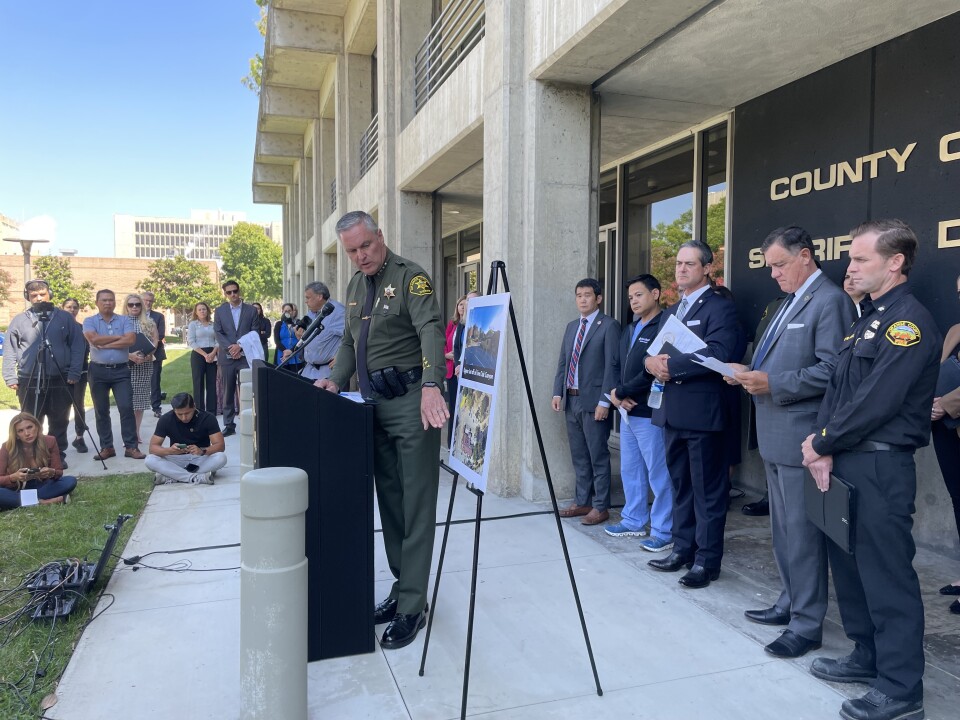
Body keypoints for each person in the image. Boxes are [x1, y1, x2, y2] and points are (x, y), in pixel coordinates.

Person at [802, 219, 940, 720]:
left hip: (880, 464)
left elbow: (875, 401)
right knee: (852, 568)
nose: (850, 267)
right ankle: (868, 655)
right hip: (845, 458)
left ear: (895, 261)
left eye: (861, 259)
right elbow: (839, 393)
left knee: (886, 576)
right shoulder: (867, 318)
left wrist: (821, 441)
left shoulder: (908, 323)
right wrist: (821, 445)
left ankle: (902, 691)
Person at [315, 210, 447, 651]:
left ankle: (413, 605)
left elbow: (431, 330)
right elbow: (350, 343)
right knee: (390, 502)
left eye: (365, 246)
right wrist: (334, 379)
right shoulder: (354, 287)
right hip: (372, 406)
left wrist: (432, 385)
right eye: (351, 251)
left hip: (412, 404)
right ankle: (402, 586)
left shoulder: (412, 278)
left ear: (380, 237)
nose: (360, 256)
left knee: (416, 503)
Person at [726, 226, 855, 659]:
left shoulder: (830, 300)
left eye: (780, 265)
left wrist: (772, 382)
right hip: (776, 435)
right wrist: (743, 369)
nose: (774, 275)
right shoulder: (787, 302)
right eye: (770, 267)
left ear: (805, 256)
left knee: (802, 534)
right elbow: (773, 361)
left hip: (803, 437)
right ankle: (790, 601)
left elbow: (834, 370)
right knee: (783, 533)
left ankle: (807, 624)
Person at [644, 240, 741, 589]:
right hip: (671, 414)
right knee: (680, 487)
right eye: (679, 264)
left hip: (703, 416)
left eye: (689, 264)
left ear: (707, 269)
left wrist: (671, 368)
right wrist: (649, 362)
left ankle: (706, 560)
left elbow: (719, 351)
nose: (681, 269)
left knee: (708, 493)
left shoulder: (720, 308)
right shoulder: (671, 311)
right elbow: (653, 353)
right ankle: (682, 549)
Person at [606, 274, 674, 552]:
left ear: (655, 294)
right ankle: (633, 520)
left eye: (639, 295)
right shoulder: (630, 328)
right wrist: (615, 394)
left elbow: (655, 370)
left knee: (659, 473)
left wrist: (623, 393)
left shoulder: (665, 325)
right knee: (630, 469)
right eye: (630, 296)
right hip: (626, 410)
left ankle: (663, 530)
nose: (633, 300)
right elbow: (615, 365)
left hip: (649, 410)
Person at [551, 279, 620, 525]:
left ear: (598, 298)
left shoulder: (609, 326)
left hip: (594, 402)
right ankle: (583, 501)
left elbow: (613, 367)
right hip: (571, 399)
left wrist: (605, 401)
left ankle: (601, 506)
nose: (582, 299)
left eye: (587, 295)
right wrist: (558, 392)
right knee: (579, 455)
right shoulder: (572, 327)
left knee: (598, 455)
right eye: (579, 295)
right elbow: (564, 362)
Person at [2, 280, 85, 467]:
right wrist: (10, 376)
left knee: (59, 420)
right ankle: (32, 459)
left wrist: (74, 372)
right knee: (30, 422)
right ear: (28, 297)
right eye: (34, 296)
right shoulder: (19, 320)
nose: (39, 298)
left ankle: (57, 456)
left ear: (50, 294)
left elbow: (78, 346)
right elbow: (10, 350)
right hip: (28, 380)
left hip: (60, 378)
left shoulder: (65, 318)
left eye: (42, 294)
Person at [82, 289, 144, 460]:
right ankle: (107, 447)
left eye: (111, 300)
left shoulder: (125, 320)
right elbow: (93, 339)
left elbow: (130, 340)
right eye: (104, 300)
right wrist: (119, 338)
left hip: (121, 371)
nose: (108, 303)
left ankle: (131, 447)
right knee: (101, 410)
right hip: (98, 371)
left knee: (126, 408)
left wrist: (106, 342)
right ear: (97, 303)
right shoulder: (89, 321)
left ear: (115, 302)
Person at [931, 272, 960, 614]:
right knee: (957, 499)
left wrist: (945, 404)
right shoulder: (954, 331)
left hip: (947, 415)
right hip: (946, 430)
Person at [145, 392, 227, 485]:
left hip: (200, 459)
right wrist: (170, 451)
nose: (184, 418)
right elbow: (152, 448)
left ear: (194, 407)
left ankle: (173, 476)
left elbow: (220, 446)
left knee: (221, 457)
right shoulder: (166, 419)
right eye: (179, 414)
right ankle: (195, 478)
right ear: (174, 410)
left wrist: (202, 450)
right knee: (150, 459)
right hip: (176, 459)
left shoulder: (207, 418)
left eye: (187, 413)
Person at [0, 413, 77, 509]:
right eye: (20, 431)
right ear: (16, 435)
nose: (27, 433)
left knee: (70, 481)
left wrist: (51, 472)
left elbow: (59, 472)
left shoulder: (50, 441)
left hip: (42, 485)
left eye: (29, 427)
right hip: (16, 488)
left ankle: (18, 501)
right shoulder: (7, 447)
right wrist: (13, 477)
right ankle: (44, 502)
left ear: (37, 426)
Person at [213, 280, 257, 437]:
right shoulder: (220, 311)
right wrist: (231, 349)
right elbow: (218, 332)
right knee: (228, 391)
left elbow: (254, 331)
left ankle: (252, 421)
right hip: (227, 357)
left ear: (239, 291)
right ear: (225, 294)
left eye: (235, 291)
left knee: (249, 390)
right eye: (229, 292)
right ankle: (229, 424)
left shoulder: (251, 310)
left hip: (246, 356)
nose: (233, 294)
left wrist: (240, 345)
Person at [124, 294, 158, 444]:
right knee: (127, 402)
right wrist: (130, 355)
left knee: (140, 402)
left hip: (144, 365)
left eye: (137, 304)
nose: (134, 307)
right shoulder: (120, 322)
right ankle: (128, 435)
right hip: (126, 366)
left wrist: (149, 353)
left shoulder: (149, 322)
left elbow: (155, 340)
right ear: (126, 306)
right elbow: (117, 343)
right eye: (131, 304)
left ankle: (136, 433)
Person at [298, 281, 345, 381]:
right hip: (309, 372)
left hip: (329, 375)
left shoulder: (338, 312)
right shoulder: (312, 312)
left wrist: (342, 356)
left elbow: (353, 336)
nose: (306, 301)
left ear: (319, 296)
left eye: (308, 297)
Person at [61, 298, 90, 454]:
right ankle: (60, 440)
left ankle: (79, 437)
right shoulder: (57, 328)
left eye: (75, 307)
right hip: (60, 373)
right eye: (68, 307)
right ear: (62, 308)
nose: (72, 309)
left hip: (80, 372)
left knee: (78, 405)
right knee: (61, 407)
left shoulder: (82, 329)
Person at [187, 302, 219, 414]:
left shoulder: (213, 325)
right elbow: (191, 341)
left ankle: (211, 410)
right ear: (196, 312)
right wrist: (205, 355)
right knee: (198, 382)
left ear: (208, 311)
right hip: (198, 354)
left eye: (204, 309)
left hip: (213, 354)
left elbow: (218, 340)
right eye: (199, 309)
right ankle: (199, 410)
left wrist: (213, 353)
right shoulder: (193, 325)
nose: (202, 311)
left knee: (212, 383)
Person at [141, 291, 166, 419]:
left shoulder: (159, 316)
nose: (148, 303)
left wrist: (147, 342)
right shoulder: (133, 315)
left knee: (155, 381)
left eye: (150, 301)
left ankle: (156, 408)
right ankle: (135, 406)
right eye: (146, 300)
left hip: (156, 353)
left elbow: (160, 334)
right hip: (136, 353)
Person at [275, 303, 304, 374]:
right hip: (282, 354)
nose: (287, 313)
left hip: (295, 353)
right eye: (285, 311)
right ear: (282, 312)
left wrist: (291, 351)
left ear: (293, 311)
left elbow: (300, 340)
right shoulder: (279, 324)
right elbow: (277, 340)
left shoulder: (298, 324)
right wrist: (285, 351)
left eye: (289, 310)